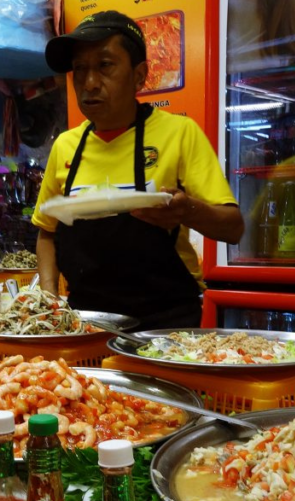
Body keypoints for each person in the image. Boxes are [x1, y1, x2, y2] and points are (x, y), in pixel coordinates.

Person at [33, 11, 243, 330]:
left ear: (139, 75)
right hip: (86, 324)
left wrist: (187, 211)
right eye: (79, 69)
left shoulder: (179, 133)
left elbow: (233, 228)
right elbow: (47, 232)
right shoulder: (65, 146)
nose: (89, 83)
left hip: (167, 325)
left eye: (105, 65)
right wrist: (49, 301)